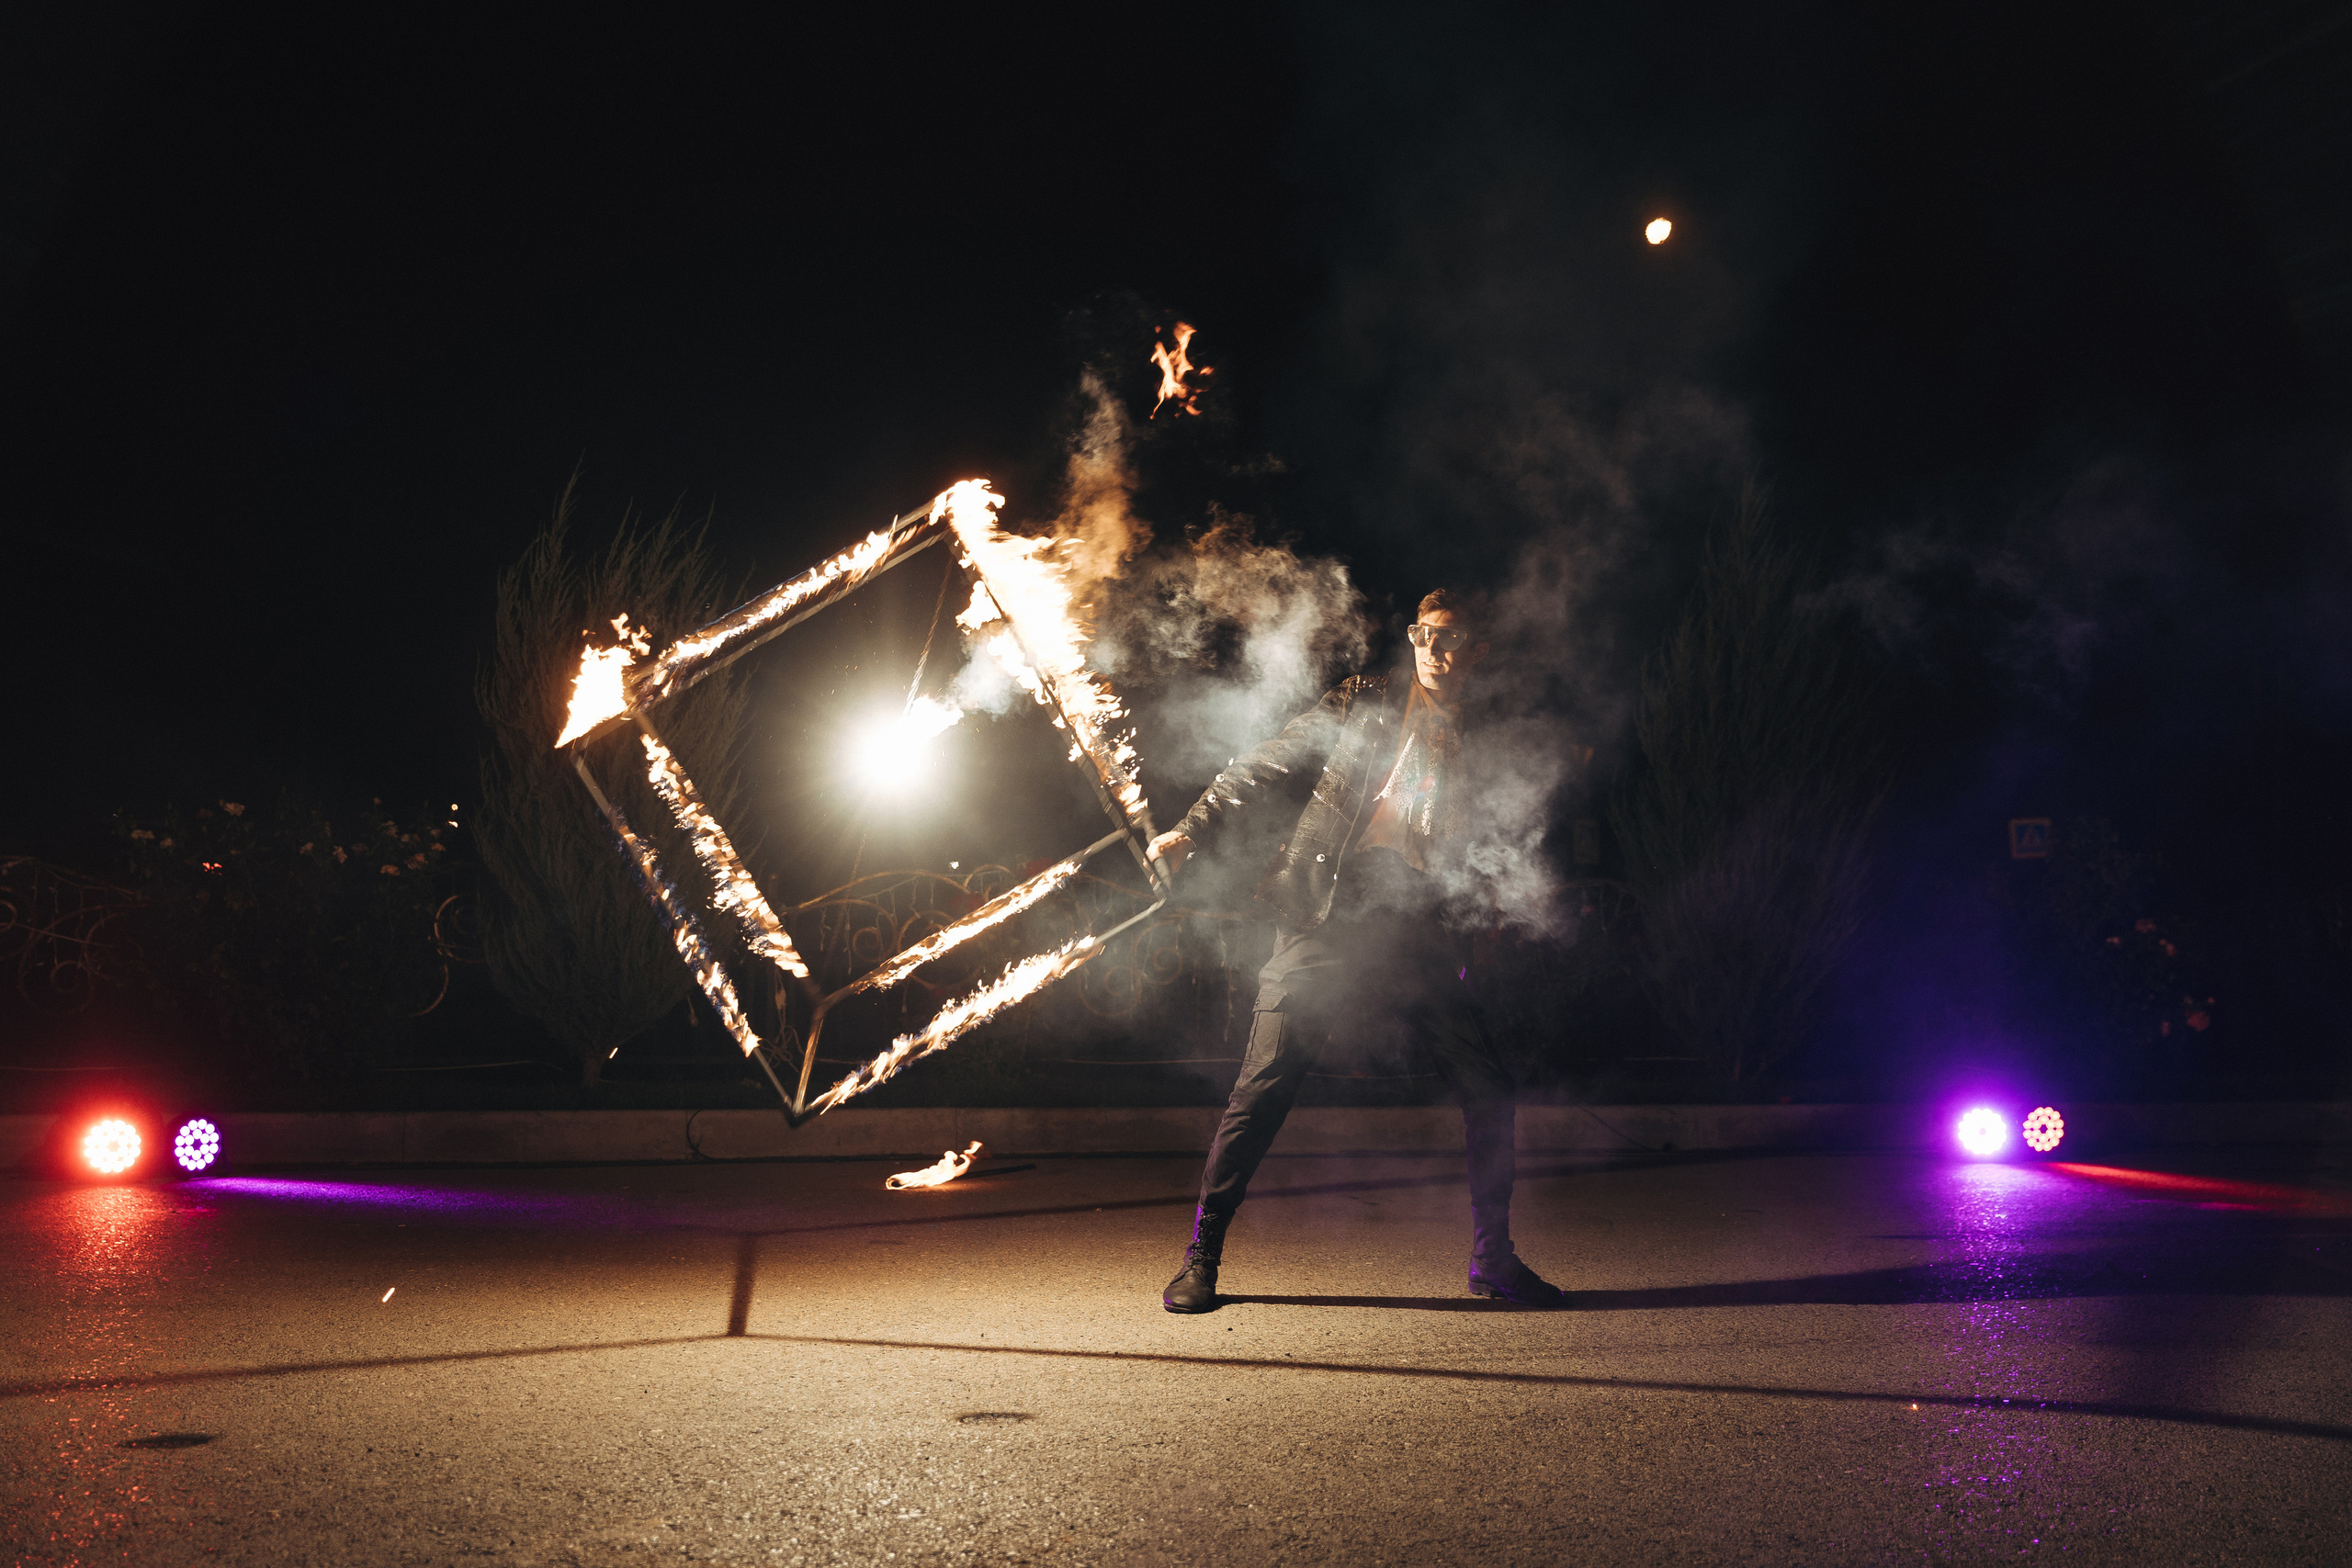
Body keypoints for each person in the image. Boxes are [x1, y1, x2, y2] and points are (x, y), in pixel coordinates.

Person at [1147, 588, 1568, 1313]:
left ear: (1477, 649)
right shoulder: (1367, 697)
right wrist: (1193, 825)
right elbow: (1275, 757)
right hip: (1328, 910)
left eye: (1451, 638)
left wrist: (1493, 908)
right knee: (1263, 1088)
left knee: (1490, 1085)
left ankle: (1493, 1257)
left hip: (1419, 926)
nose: (1434, 651)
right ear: (1411, 639)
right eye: (1423, 635)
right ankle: (1202, 1255)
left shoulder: (1488, 729)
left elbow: (1501, 829)